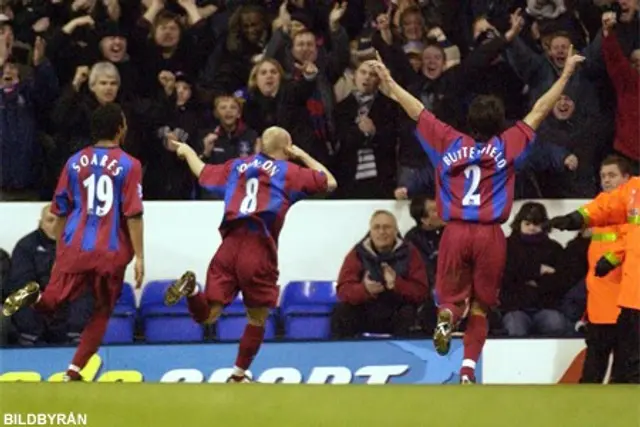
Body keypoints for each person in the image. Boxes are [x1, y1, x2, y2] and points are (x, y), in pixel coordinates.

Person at [369, 46, 585, 383]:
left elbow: (416, 110)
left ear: (469, 121)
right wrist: (567, 73)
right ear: (500, 122)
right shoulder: (506, 144)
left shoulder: (449, 141)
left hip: (455, 230)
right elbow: (541, 108)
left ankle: (445, 318)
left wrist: (389, 81)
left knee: (451, 300)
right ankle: (468, 371)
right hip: (489, 233)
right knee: (482, 305)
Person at [164, 125, 337, 383]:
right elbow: (330, 181)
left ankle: (191, 292)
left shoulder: (236, 166)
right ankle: (238, 375)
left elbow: (201, 172)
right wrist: (301, 155)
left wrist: (188, 150)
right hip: (259, 247)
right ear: (287, 148)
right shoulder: (288, 171)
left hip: (229, 245)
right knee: (257, 318)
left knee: (209, 315)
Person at [2, 103, 145, 381]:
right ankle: (74, 370)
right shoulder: (130, 164)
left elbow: (60, 209)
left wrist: (62, 248)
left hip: (75, 246)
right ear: (119, 128)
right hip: (111, 251)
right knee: (101, 311)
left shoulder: (74, 161)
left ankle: (34, 295)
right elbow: (134, 213)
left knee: (53, 301)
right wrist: (140, 255)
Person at [547, 176, 639, 384]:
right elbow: (607, 206)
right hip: (633, 298)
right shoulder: (634, 189)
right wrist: (576, 218)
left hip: (631, 295)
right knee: (628, 370)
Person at [580, 155, 632, 383]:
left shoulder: (632, 212)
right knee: (592, 373)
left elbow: (628, 243)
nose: (606, 180)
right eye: (603, 176)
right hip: (599, 305)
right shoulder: (600, 208)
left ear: (627, 179)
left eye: (612, 175)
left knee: (622, 376)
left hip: (623, 305)